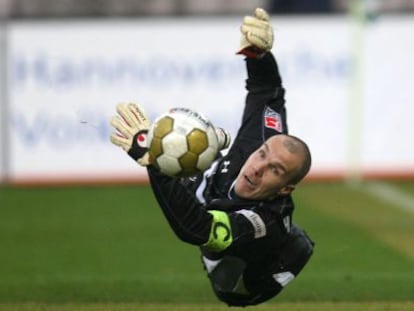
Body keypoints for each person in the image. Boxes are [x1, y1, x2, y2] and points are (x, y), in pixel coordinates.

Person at [110, 8, 314, 307]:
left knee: (295, 246)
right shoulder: (264, 140)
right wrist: (258, 55)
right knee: (209, 158)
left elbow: (196, 230)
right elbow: (267, 90)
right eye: (262, 154)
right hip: (215, 199)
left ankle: (268, 264)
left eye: (275, 170)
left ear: (285, 188)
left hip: (245, 280)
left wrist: (153, 162)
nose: (259, 167)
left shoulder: (263, 220)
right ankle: (211, 152)